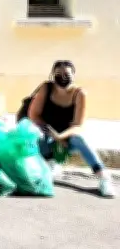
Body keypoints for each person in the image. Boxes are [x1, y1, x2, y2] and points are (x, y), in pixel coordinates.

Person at [28, 60, 114, 197]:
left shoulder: (79, 93)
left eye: (67, 74)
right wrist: (52, 134)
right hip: (47, 134)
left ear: (74, 75)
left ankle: (103, 177)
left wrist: (60, 137)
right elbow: (34, 115)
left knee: (81, 139)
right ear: (52, 75)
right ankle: (50, 163)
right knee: (37, 132)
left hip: (68, 137)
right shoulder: (46, 88)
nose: (62, 77)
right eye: (58, 74)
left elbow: (78, 125)